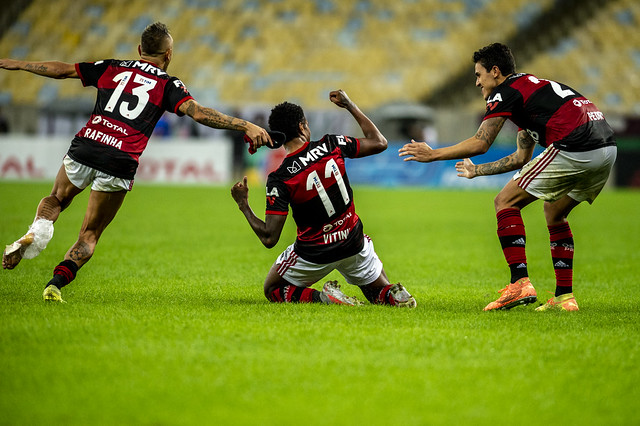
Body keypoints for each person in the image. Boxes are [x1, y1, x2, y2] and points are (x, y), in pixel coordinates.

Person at [1, 22, 273, 302]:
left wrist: (19, 64)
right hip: (120, 159)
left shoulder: (112, 66)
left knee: (56, 198)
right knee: (90, 234)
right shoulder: (168, 84)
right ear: (168, 55)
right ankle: (55, 284)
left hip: (88, 144)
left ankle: (36, 231)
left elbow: (63, 69)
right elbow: (200, 114)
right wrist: (245, 125)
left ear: (140, 50)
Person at [399, 43, 616, 312]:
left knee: (505, 202)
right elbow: (521, 158)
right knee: (554, 212)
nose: (477, 83)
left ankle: (519, 283)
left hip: (577, 145)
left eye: (479, 75)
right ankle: (564, 298)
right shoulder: (530, 93)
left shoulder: (505, 93)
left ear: (495, 71)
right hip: (607, 148)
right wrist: (476, 170)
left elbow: (481, 143)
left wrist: (434, 154)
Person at [231, 90, 417, 307]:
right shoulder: (332, 144)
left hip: (314, 254)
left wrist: (243, 204)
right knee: (376, 292)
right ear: (302, 126)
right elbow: (379, 142)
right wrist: (349, 105)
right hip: (352, 242)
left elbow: (269, 238)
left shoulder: (280, 178)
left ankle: (323, 298)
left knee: (272, 289)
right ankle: (392, 293)